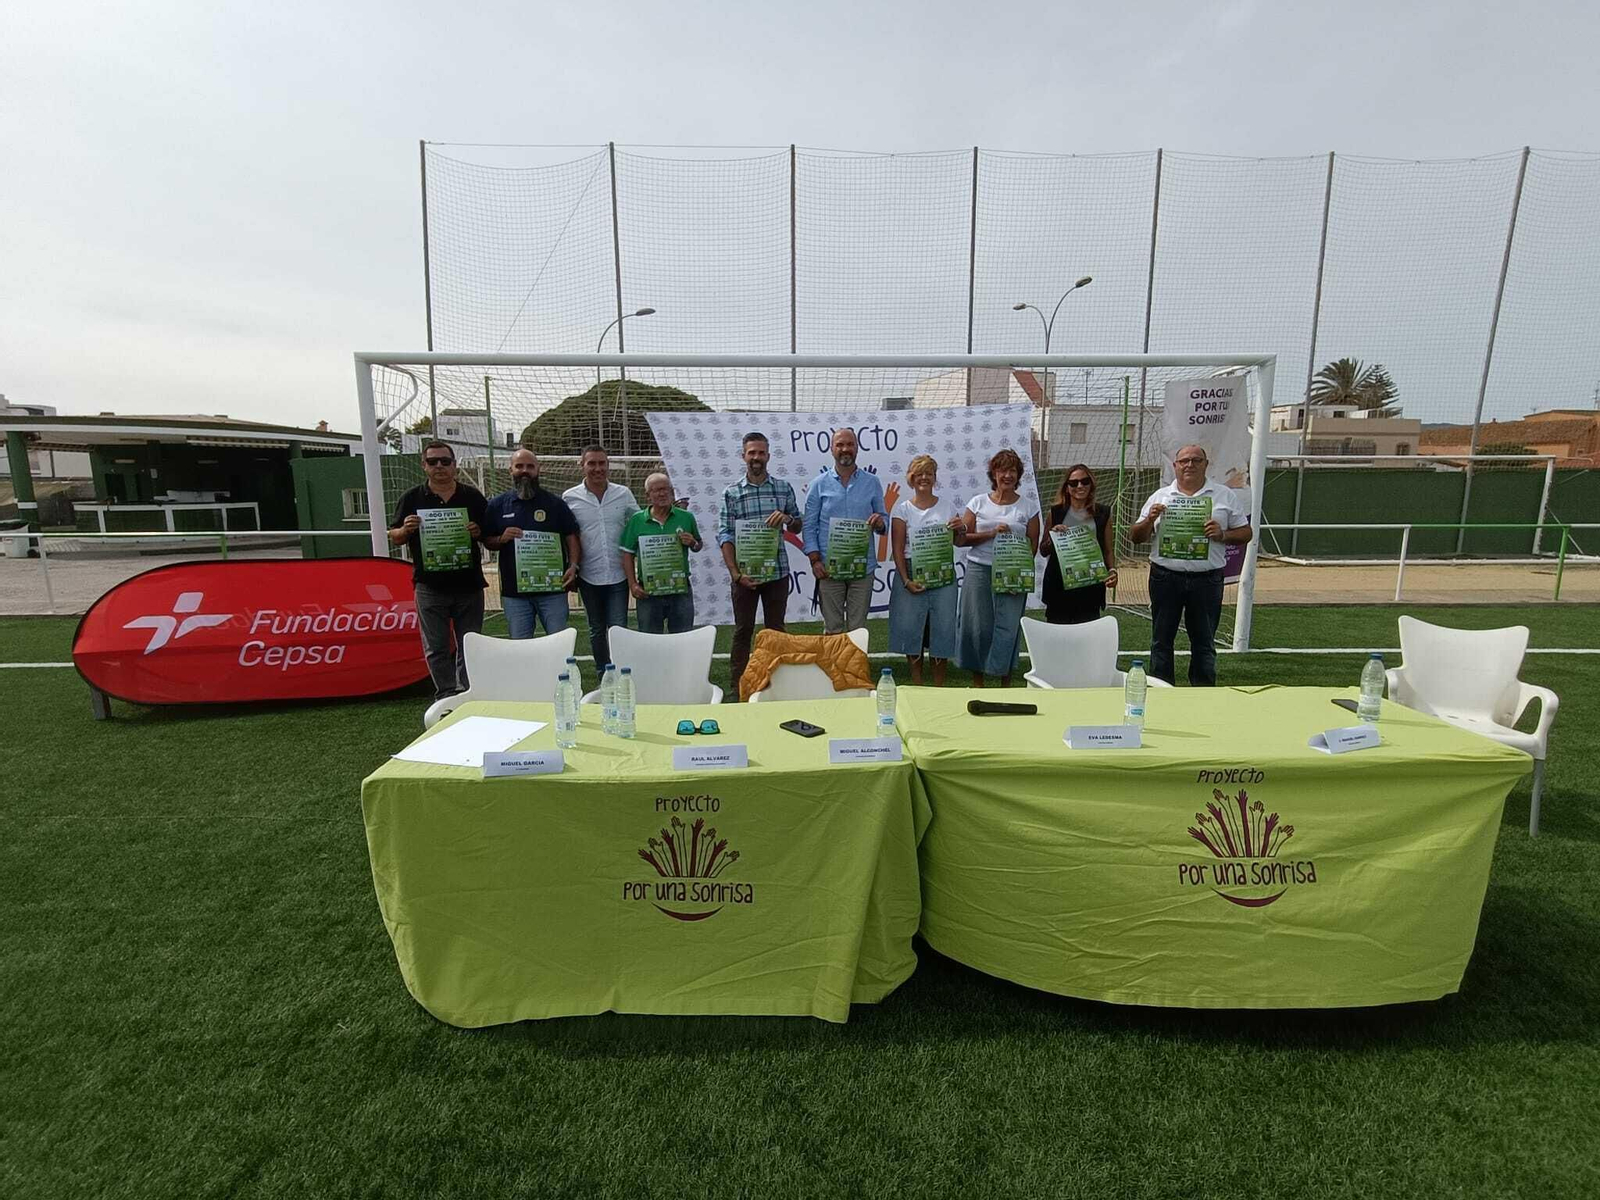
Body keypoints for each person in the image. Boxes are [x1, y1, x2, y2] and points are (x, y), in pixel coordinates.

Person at [1129, 443, 1252, 687]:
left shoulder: (1224, 495)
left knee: (1204, 642)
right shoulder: (1160, 496)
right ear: (1175, 466)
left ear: (1207, 465)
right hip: (1165, 578)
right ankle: (1161, 690)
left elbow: (1246, 533)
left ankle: (1203, 693)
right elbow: (1135, 536)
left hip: (1207, 580)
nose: (1190, 465)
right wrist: (1150, 519)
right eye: (1184, 460)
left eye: (1196, 460)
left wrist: (1223, 534)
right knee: (1161, 640)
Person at [387, 440, 489, 700]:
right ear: (424, 466)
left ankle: (469, 693)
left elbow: (489, 535)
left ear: (454, 465)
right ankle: (445, 695)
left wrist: (479, 532)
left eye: (445, 461)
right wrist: (405, 529)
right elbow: (395, 535)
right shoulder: (411, 498)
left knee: (470, 645)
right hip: (429, 586)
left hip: (469, 585)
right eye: (433, 462)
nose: (440, 466)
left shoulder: (472, 496)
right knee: (436, 647)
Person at [718, 432, 803, 700]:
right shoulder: (731, 493)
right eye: (751, 453)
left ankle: (777, 684)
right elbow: (725, 535)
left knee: (776, 630)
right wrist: (735, 574)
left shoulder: (783, 488)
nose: (756, 457)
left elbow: (798, 524)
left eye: (761, 453)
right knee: (743, 631)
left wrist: (788, 518)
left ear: (768, 455)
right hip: (744, 576)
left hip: (776, 573)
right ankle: (739, 686)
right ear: (743, 456)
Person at [957, 448, 1040, 688]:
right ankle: (978, 681)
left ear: (1018, 474)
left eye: (1012, 470)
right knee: (977, 627)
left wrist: (1019, 576)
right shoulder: (977, 503)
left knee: (1008, 626)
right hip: (979, 570)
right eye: (1002, 470)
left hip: (1012, 575)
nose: (1007, 475)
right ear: (994, 473)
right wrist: (991, 533)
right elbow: (963, 538)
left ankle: (1005, 681)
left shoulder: (1028, 506)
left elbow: (1032, 544)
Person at [482, 447, 581, 642]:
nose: (525, 471)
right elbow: (487, 541)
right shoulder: (497, 505)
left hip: (552, 590)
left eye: (530, 466)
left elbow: (571, 536)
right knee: (520, 646)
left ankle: (557, 674)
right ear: (511, 470)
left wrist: (573, 565)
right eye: (519, 466)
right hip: (515, 594)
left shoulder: (555, 504)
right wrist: (501, 538)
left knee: (558, 644)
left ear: (538, 469)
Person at [802, 427, 888, 635]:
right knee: (833, 629)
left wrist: (879, 523)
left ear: (857, 448)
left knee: (858, 629)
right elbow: (809, 525)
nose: (845, 449)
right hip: (829, 569)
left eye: (850, 444)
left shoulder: (872, 482)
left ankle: (855, 669)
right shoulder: (818, 485)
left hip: (862, 568)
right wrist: (815, 561)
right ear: (832, 449)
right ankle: (833, 669)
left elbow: (883, 519)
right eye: (840, 445)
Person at [562, 445, 639, 672]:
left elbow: (639, 523)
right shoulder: (569, 497)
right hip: (589, 575)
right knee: (596, 629)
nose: (597, 468)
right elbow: (567, 535)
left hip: (618, 574)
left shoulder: (623, 494)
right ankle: (602, 676)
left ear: (607, 465)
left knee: (618, 628)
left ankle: (621, 673)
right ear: (582, 465)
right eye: (592, 463)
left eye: (602, 463)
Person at [888, 454, 964, 685]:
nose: (924, 478)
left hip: (943, 573)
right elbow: (898, 550)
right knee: (912, 629)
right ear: (911, 478)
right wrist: (905, 580)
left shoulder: (947, 506)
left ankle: (939, 684)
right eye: (919, 474)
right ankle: (917, 682)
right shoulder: (902, 510)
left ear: (934, 478)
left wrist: (961, 529)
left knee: (942, 627)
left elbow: (959, 542)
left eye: (928, 474)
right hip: (912, 572)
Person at [620, 472, 703, 634]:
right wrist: (632, 584)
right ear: (648, 496)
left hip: (680, 588)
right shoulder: (637, 520)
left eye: (666, 489)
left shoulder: (686, 517)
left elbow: (698, 545)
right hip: (649, 591)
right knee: (650, 641)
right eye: (657, 490)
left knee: (682, 640)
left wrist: (692, 542)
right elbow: (627, 554)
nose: (663, 493)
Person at [1040, 464, 1119, 624]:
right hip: (1059, 586)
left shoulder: (1103, 513)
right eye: (1074, 483)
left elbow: (1108, 550)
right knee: (1059, 638)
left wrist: (1112, 571)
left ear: (1091, 484)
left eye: (1084, 481)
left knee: (1086, 639)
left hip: (1090, 586)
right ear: (1067, 487)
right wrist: (1053, 535)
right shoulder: (1055, 512)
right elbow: (1043, 550)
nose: (1080, 486)